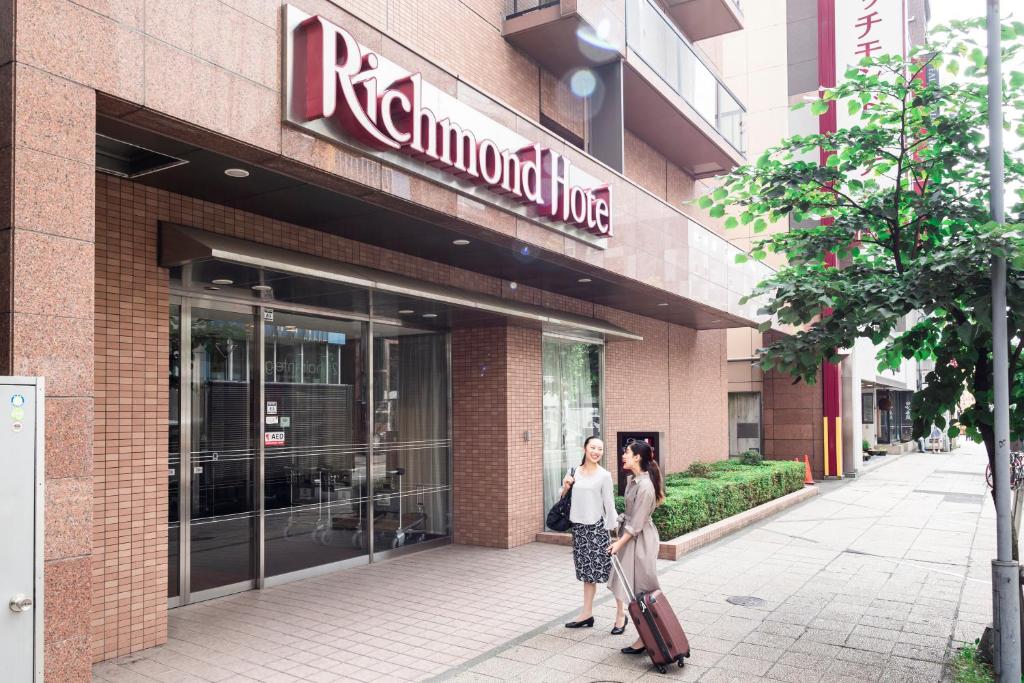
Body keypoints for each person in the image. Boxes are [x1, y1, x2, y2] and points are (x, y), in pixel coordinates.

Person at [560, 436, 625, 633]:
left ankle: (621, 614)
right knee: (587, 574)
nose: (596, 451)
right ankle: (587, 614)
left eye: (600, 449)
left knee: (610, 573)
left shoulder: (604, 475)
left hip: (597, 529)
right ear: (584, 448)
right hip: (579, 529)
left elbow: (609, 505)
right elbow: (562, 499)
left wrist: (615, 535)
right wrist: (566, 487)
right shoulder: (574, 472)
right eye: (593, 447)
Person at [608, 439, 665, 655]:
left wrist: (618, 544)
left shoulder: (645, 486)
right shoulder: (633, 480)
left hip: (640, 541)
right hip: (631, 538)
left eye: (627, 452)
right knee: (633, 589)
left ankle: (648, 637)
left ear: (637, 457)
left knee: (643, 588)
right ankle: (645, 635)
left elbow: (637, 524)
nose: (623, 455)